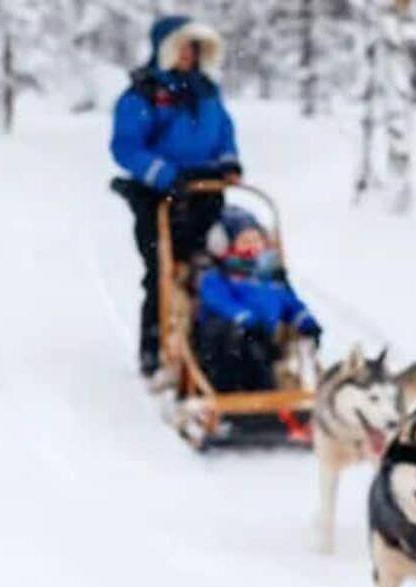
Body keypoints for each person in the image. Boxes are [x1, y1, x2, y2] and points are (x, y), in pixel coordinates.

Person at [109, 15, 242, 378]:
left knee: (211, 268)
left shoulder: (207, 91)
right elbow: (125, 147)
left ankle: (212, 346)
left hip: (205, 191)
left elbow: (224, 132)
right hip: (158, 196)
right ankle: (153, 350)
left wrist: (229, 163)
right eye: (182, 47)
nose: (189, 54)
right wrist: (165, 175)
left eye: (194, 47)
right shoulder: (143, 93)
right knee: (162, 272)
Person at [191, 207, 321, 393]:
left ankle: (271, 397)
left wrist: (305, 320)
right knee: (235, 341)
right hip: (225, 341)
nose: (253, 246)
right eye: (245, 241)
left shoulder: (271, 276)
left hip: (265, 340)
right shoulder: (216, 276)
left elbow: (290, 303)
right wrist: (246, 319)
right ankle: (231, 399)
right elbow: (220, 302)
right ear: (226, 245)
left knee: (268, 357)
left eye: (256, 239)